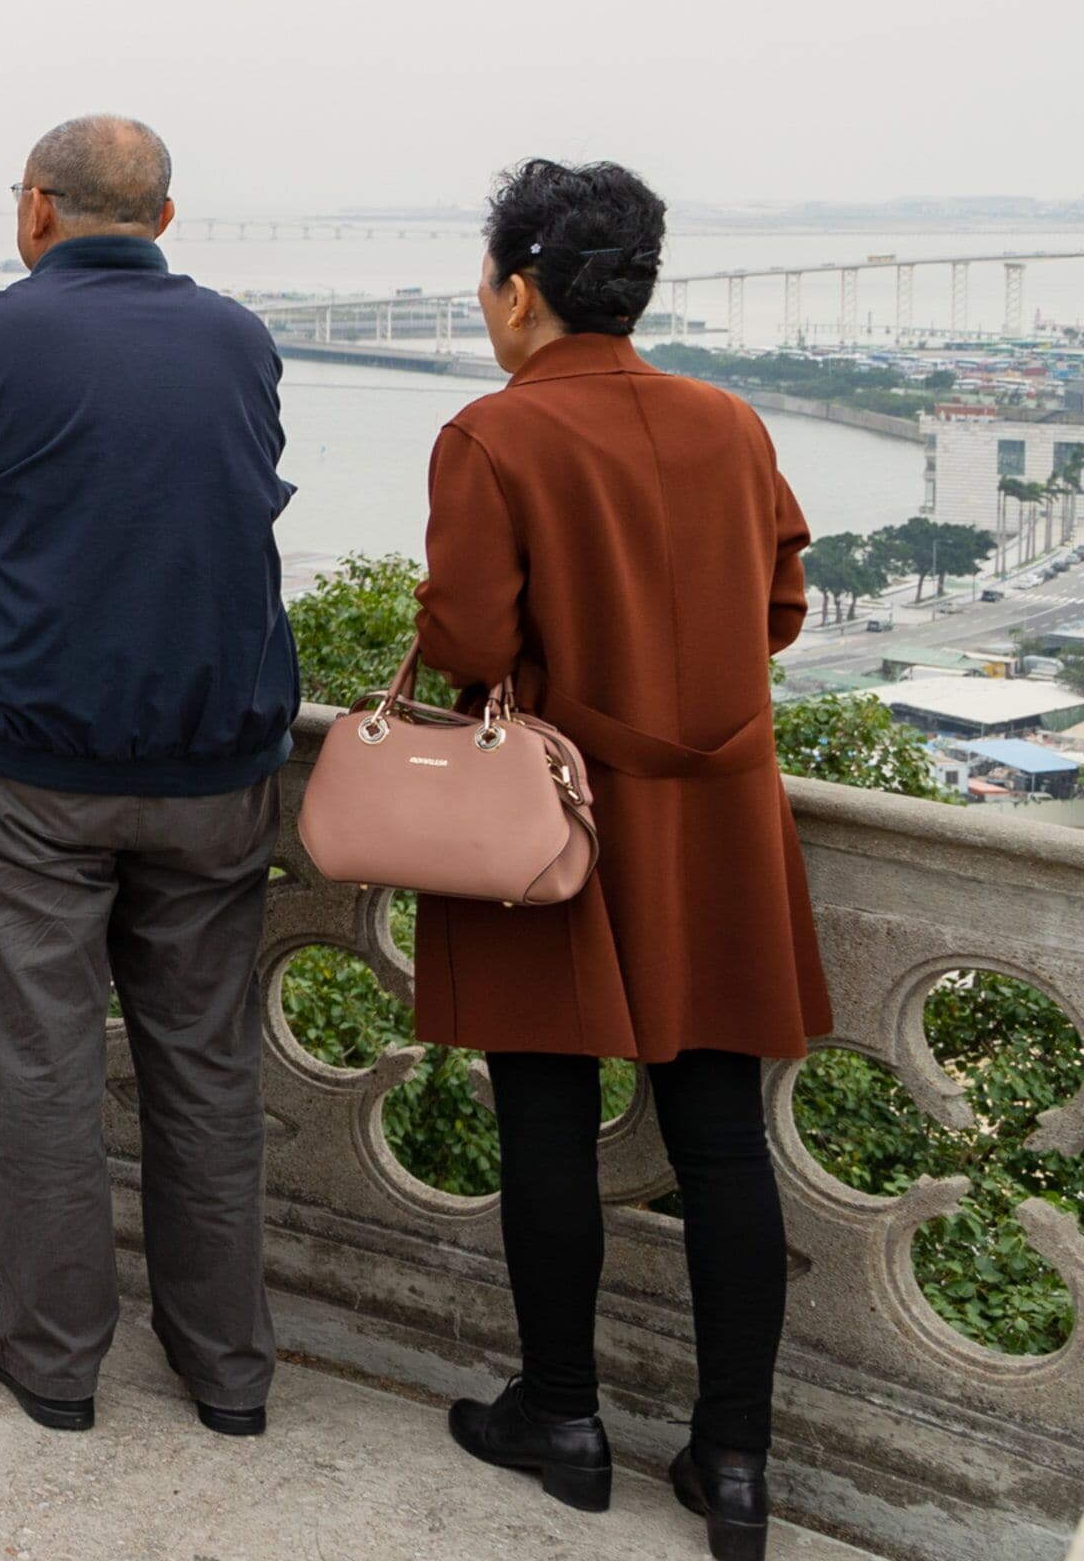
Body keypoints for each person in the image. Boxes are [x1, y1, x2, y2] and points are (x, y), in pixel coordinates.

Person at [415, 160, 826, 1560]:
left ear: (519, 291)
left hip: (558, 820)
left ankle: (565, 1417)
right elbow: (777, 606)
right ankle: (735, 1462)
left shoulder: (494, 438)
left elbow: (466, 648)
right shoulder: (731, 422)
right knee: (722, 1141)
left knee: (546, 1124)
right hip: (716, 822)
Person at [0, 116, 297, 1438]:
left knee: (44, 1064)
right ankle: (227, 1370)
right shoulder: (240, 338)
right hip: (218, 763)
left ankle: (54, 1358)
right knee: (208, 1069)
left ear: (38, 212)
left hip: (32, 766)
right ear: (163, 220)